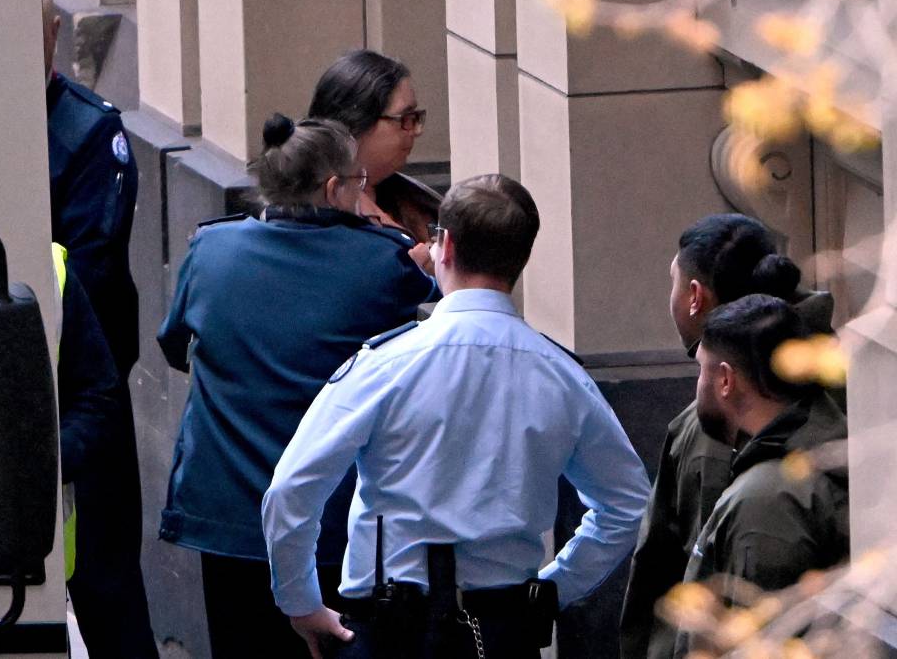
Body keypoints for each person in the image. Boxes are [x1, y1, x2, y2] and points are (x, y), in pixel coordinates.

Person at [262, 174, 651, 659]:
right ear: (521, 259)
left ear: (444, 246)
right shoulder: (563, 377)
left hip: (389, 629)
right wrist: (554, 588)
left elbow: (291, 489)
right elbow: (627, 504)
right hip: (503, 630)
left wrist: (301, 602)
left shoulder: (384, 365)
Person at [156, 113, 440, 659]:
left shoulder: (211, 251)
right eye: (360, 183)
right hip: (330, 521)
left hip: (227, 517)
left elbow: (175, 347)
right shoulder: (381, 264)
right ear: (335, 188)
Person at [620, 214, 834, 659]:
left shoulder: (714, 433)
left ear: (695, 297)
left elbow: (694, 582)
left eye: (675, 283)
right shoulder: (846, 377)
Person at [43, 0, 157, 657]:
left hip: (87, 401)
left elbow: (88, 279)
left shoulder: (85, 135)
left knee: (108, 592)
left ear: (55, 35)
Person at [673, 295, 848, 657]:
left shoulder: (767, 500)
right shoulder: (811, 454)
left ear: (725, 380)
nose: (698, 386)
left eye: (702, 370)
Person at [309, 49, 437, 258]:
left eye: (415, 117)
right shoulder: (304, 213)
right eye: (406, 118)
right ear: (356, 123)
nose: (416, 130)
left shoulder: (420, 201)